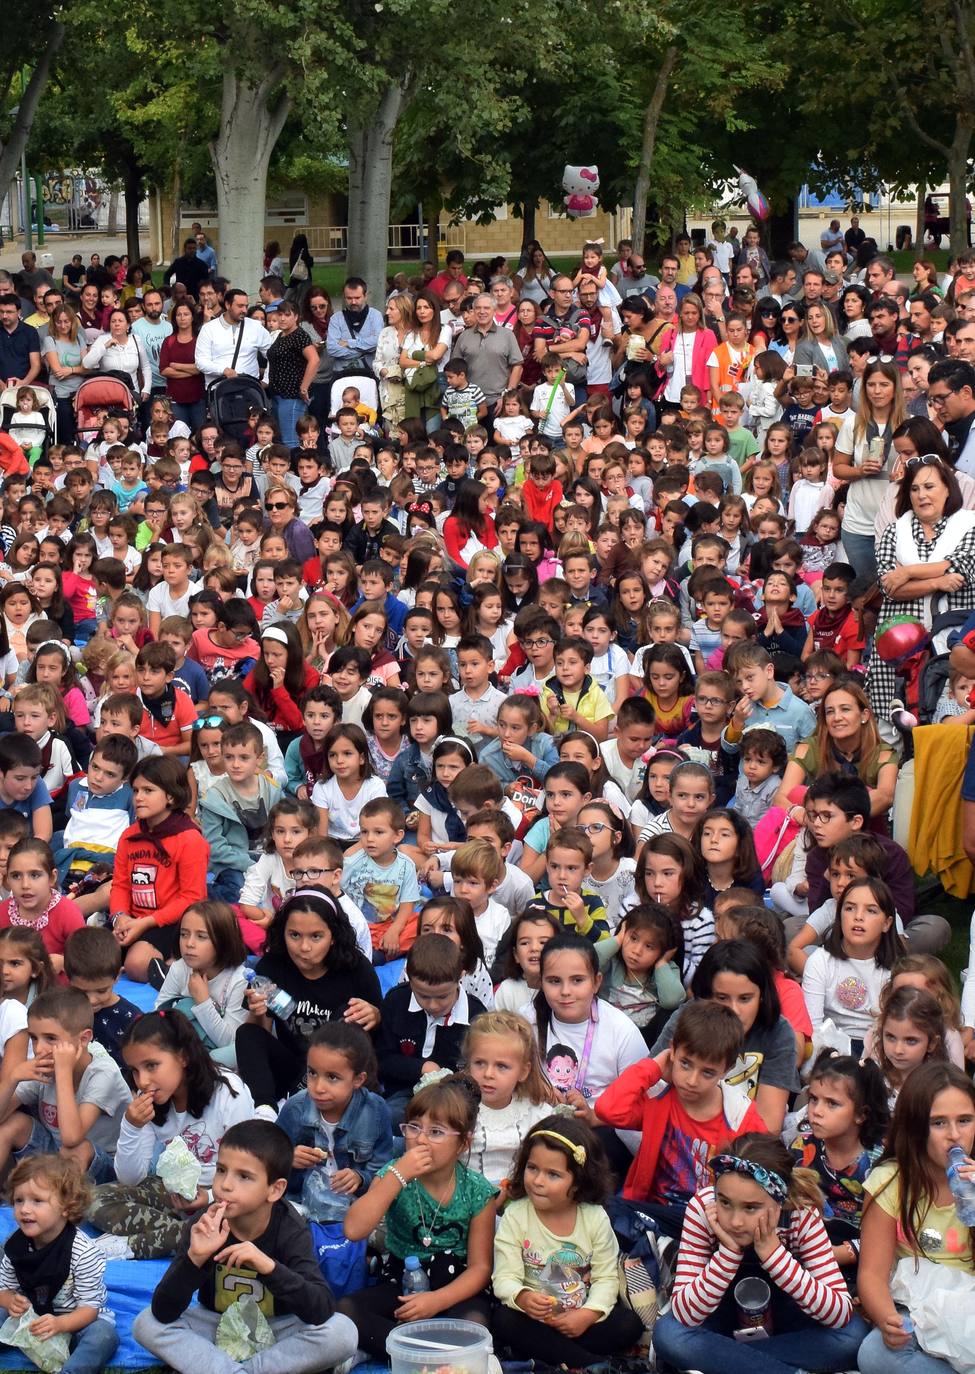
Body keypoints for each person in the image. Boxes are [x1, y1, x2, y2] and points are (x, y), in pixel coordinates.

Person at [132, 1118, 357, 1374]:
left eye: (244, 1176)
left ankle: (244, 1369)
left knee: (342, 1332)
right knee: (146, 1324)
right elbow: (163, 1311)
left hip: (279, 1327)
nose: (225, 1185)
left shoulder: (291, 1229)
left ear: (275, 1190)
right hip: (216, 1322)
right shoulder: (204, 1223)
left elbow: (321, 1308)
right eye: (221, 1170)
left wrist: (268, 1267)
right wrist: (194, 1259)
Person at [652, 1132, 868, 1374]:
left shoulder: (801, 1213)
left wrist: (774, 1255)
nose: (735, 1221)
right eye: (725, 1202)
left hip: (784, 1318)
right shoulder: (702, 1209)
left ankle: (723, 1362)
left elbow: (839, 1313)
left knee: (852, 1336)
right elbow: (684, 1314)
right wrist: (728, 1255)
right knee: (668, 1334)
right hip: (721, 1313)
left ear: (780, 1202)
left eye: (751, 1208)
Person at [491, 1115, 643, 1363]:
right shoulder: (516, 1215)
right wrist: (523, 1297)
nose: (538, 1181)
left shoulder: (594, 1218)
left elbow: (606, 1278)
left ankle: (560, 1357)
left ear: (579, 1181)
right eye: (532, 1168)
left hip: (580, 1317)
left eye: (553, 1174)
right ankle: (590, 1363)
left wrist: (587, 1315)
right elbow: (505, 1277)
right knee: (503, 1320)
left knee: (628, 1324)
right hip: (534, 1320)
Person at [857, 1063, 975, 1374]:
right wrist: (888, 1320)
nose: (954, 1135)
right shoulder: (891, 1181)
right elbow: (871, 1274)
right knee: (874, 1353)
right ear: (915, 1126)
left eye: (964, 1120)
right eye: (938, 1123)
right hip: (918, 1314)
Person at [0, 1155, 120, 1374]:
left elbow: (89, 1310)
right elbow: (3, 1291)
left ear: (66, 1207)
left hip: (75, 1322)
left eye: (37, 1201)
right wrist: (11, 1301)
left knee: (103, 1336)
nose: (25, 1209)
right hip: (33, 1320)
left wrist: (60, 1325)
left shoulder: (83, 1252)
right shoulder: (14, 1247)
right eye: (19, 1200)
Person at [195, 288, 273, 390]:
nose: (244, 310)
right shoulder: (209, 328)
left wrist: (266, 380)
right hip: (219, 392)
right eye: (240, 306)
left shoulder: (256, 327)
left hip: (250, 391)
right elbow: (201, 362)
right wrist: (223, 370)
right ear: (227, 305)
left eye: (246, 306)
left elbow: (273, 355)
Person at [266, 300, 319, 447]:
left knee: (290, 441)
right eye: (280, 314)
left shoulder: (299, 336)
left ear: (296, 317)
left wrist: (304, 387)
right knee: (279, 440)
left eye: (287, 315)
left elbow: (314, 360)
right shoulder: (281, 335)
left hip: (291, 396)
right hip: (277, 394)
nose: (282, 318)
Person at [81, 309, 151, 399]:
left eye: (120, 321)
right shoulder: (102, 340)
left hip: (132, 395)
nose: (116, 324)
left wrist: (146, 389)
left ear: (128, 325)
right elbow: (86, 364)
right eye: (113, 321)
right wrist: (105, 346)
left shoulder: (136, 340)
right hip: (108, 395)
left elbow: (146, 367)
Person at [326, 276, 383, 374]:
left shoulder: (375, 315)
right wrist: (364, 350)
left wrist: (349, 343)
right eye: (349, 298)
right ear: (344, 297)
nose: (353, 302)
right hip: (342, 373)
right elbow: (332, 349)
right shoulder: (336, 319)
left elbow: (377, 341)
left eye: (357, 298)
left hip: (369, 372)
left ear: (365, 296)